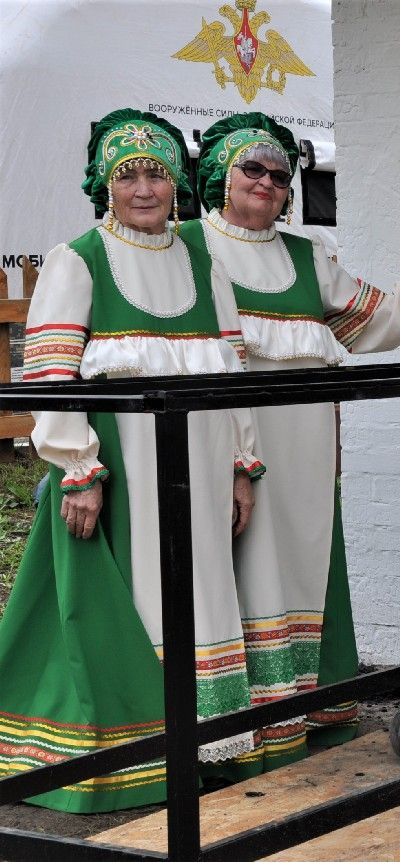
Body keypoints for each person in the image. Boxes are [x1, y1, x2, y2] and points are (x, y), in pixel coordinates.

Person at [181, 113, 400, 774]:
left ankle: (291, 715)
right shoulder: (187, 247)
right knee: (227, 568)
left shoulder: (307, 256)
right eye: (251, 169)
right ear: (221, 177)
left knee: (293, 562)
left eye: (279, 174)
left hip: (306, 445)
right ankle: (223, 732)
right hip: (219, 445)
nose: (266, 182)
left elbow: (366, 317)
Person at [0, 109, 265, 812]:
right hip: (122, 475)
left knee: (202, 590)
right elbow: (52, 375)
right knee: (137, 596)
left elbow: (235, 370)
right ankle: (141, 752)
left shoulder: (204, 260)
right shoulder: (77, 260)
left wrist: (242, 463)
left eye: (156, 173)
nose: (144, 188)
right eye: (128, 176)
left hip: (203, 467)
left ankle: (202, 744)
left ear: (176, 183)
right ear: (105, 186)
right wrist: (77, 470)